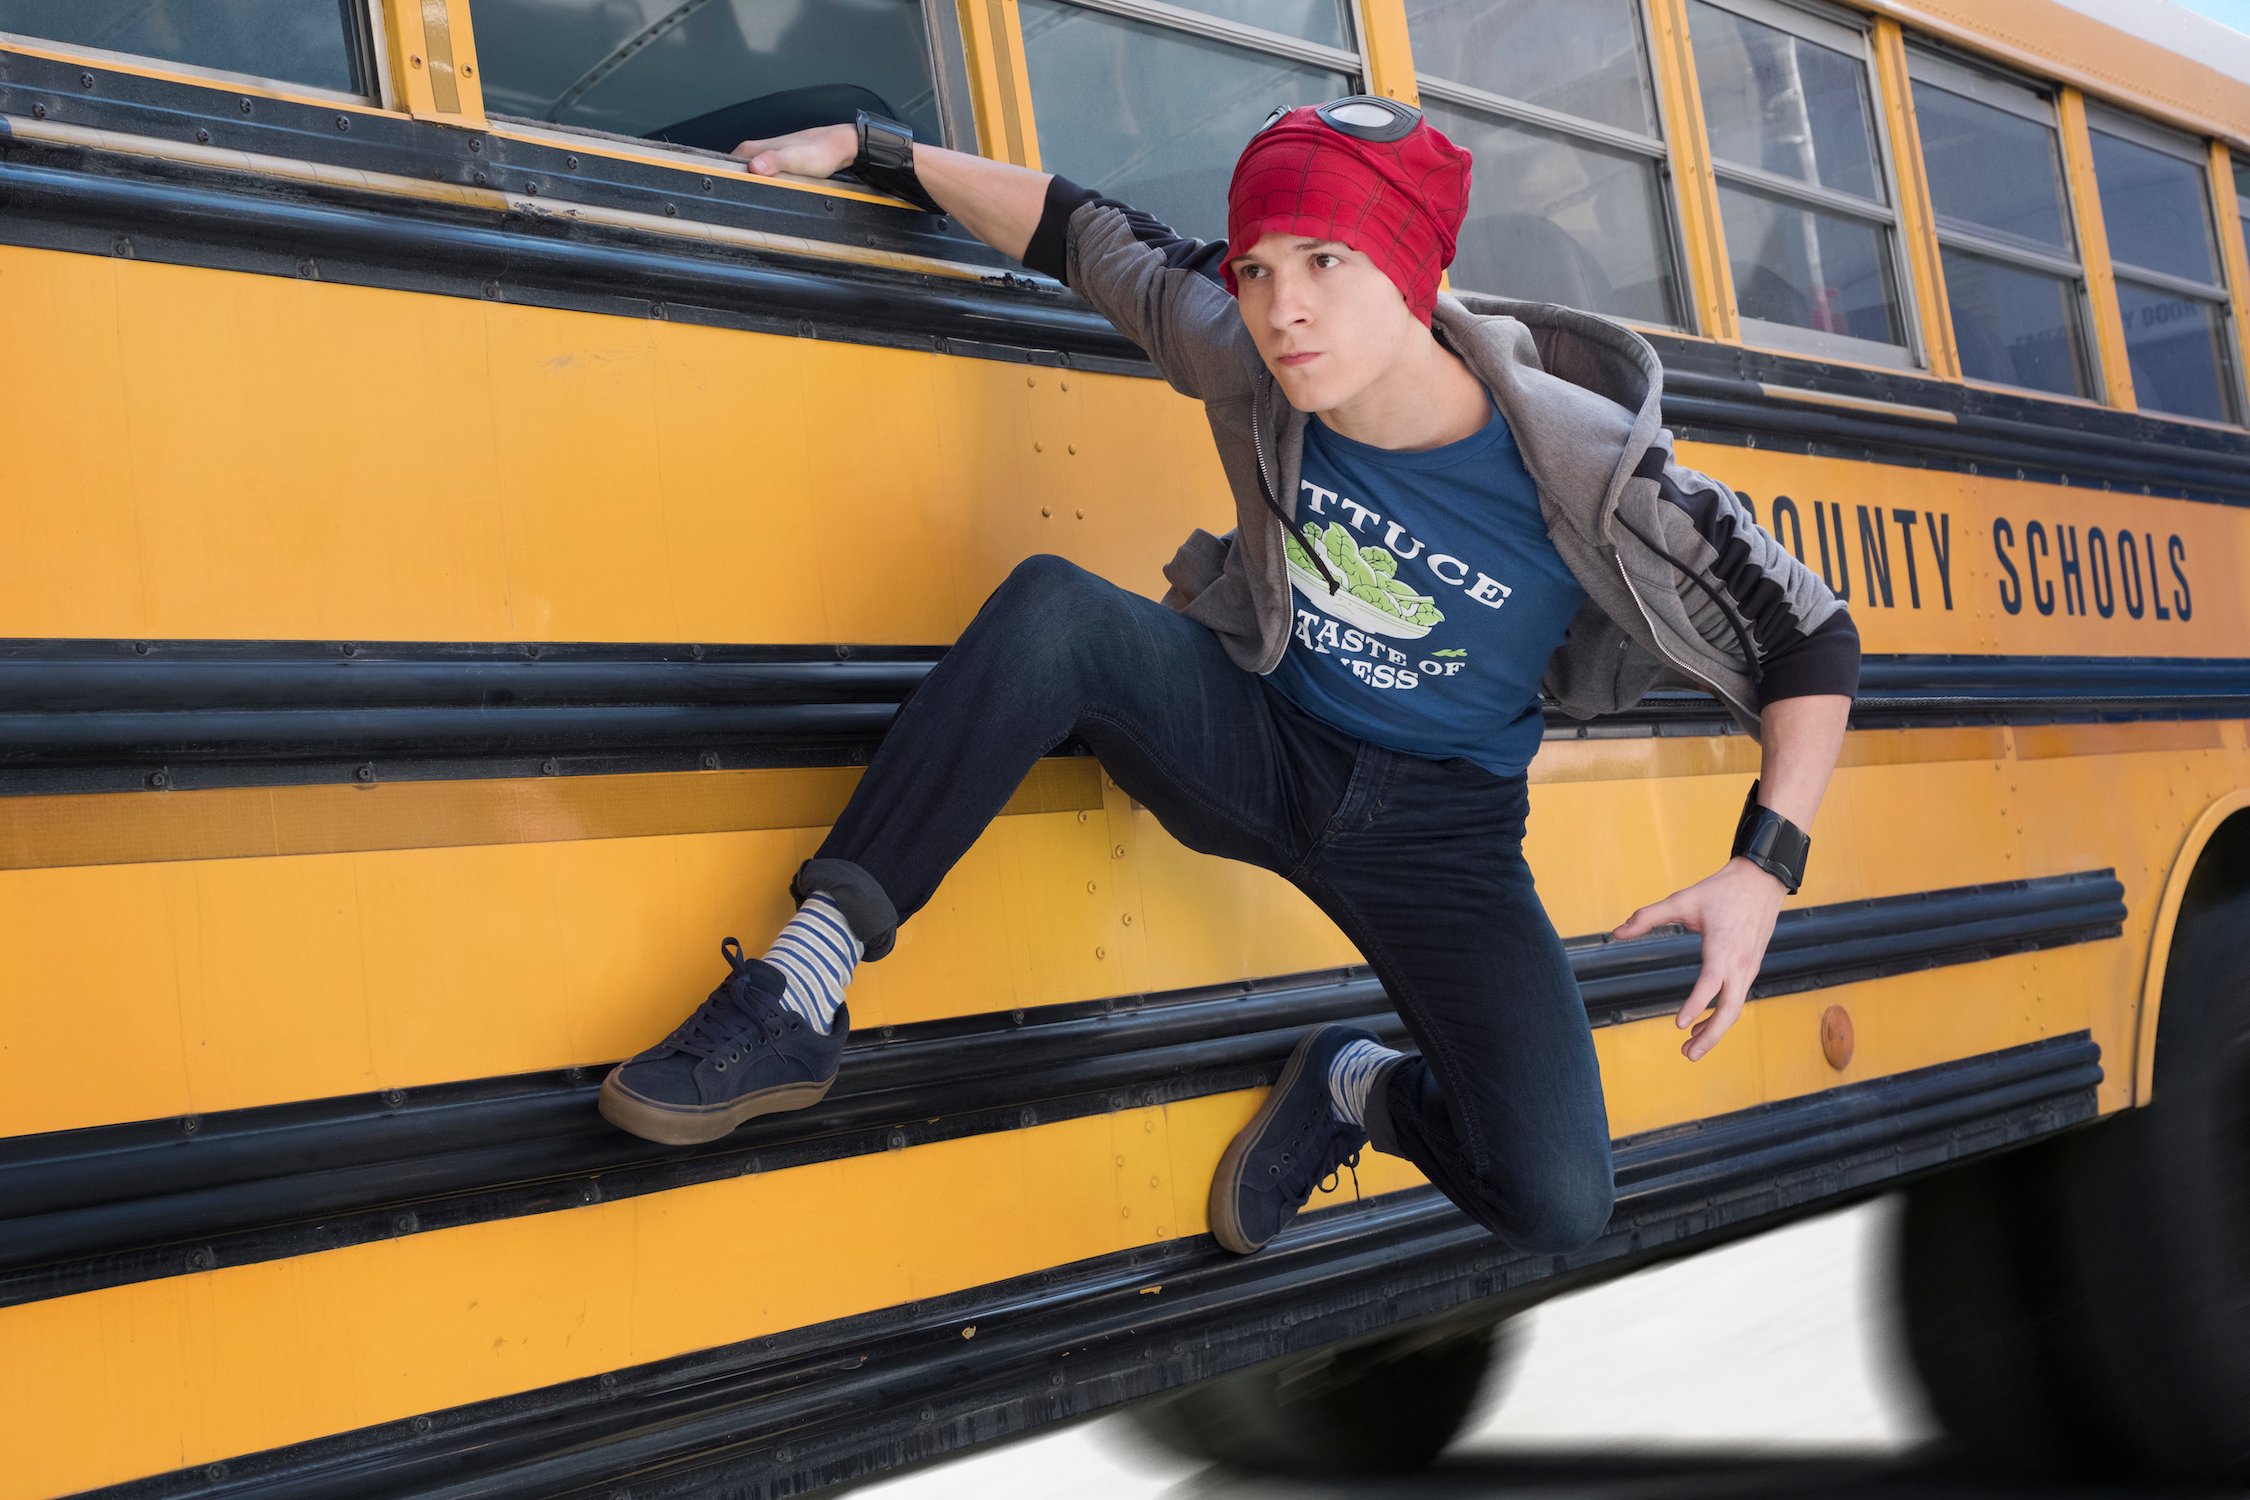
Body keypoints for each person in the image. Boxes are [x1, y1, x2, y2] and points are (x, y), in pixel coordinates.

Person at [595, 97, 1859, 1259]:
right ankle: (801, 986)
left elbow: (1810, 637)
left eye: (1327, 263)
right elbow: (1080, 228)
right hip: (1255, 735)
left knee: (1558, 1202)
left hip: (1442, 835)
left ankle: (1355, 1083)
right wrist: (877, 148)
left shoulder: (1595, 469)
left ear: (1417, 277)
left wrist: (1764, 868)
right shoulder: (1249, 346)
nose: (1280, 304)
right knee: (1057, 613)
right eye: (1257, 267)